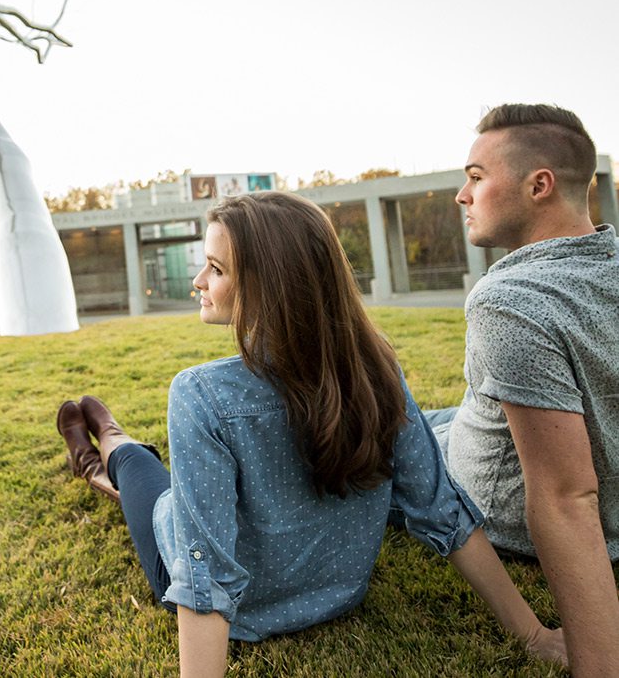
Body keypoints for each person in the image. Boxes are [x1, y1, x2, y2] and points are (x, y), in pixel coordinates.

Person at [57, 192, 566, 676]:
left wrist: (538, 636)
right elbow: (443, 510)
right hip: (337, 597)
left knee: (144, 478)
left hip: (244, 614)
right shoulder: (376, 366)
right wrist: (533, 634)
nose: (198, 280)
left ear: (269, 284)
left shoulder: (199, 393)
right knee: (171, 491)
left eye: (215, 269)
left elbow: (201, 571)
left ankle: (109, 443)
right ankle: (103, 445)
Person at [426, 103, 619, 675]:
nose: (462, 195)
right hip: (477, 428)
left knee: (365, 432)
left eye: (477, 177)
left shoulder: (512, 300)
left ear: (539, 185)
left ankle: (138, 458)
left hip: (491, 505)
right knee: (417, 410)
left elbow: (566, 498)